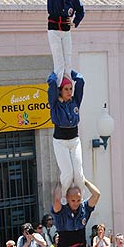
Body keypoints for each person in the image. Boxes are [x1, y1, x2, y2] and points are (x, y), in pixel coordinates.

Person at [47, 69, 85, 199]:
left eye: (70, 89)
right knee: (68, 173)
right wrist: (58, 72)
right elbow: (51, 83)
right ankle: (64, 198)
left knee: (78, 174)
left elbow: (80, 80)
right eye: (66, 89)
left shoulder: (75, 101)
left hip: (74, 141)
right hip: (60, 142)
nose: (69, 92)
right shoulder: (55, 104)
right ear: (60, 91)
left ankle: (80, 200)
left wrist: (69, 71)